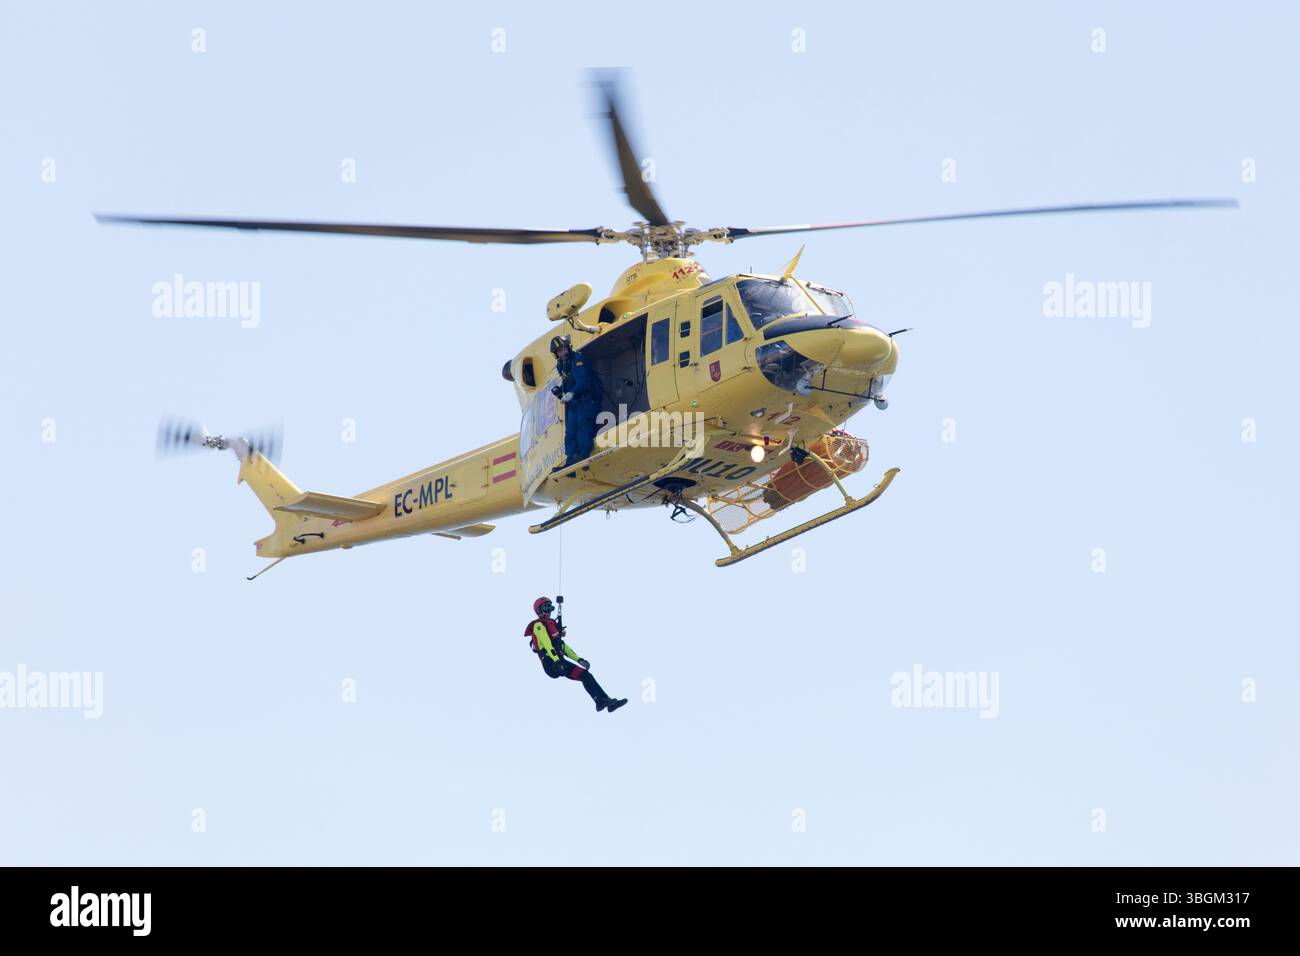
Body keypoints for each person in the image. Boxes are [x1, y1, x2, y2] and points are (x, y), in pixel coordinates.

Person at [526, 596, 627, 713]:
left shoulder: (551, 625)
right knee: (585, 675)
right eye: (545, 607)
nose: (549, 610)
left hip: (558, 661)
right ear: (539, 611)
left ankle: (604, 702)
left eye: (550, 607)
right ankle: (602, 701)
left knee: (586, 675)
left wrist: (579, 660)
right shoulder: (539, 626)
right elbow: (548, 646)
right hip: (551, 663)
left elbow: (562, 646)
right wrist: (557, 661)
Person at [550, 335, 604, 468]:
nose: (562, 353)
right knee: (570, 430)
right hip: (574, 401)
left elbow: (584, 381)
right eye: (558, 351)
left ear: (568, 348)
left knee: (583, 424)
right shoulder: (560, 365)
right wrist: (561, 391)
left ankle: (583, 454)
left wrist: (571, 393)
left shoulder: (578, 359)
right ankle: (570, 461)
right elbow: (567, 380)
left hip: (587, 397)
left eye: (563, 349)